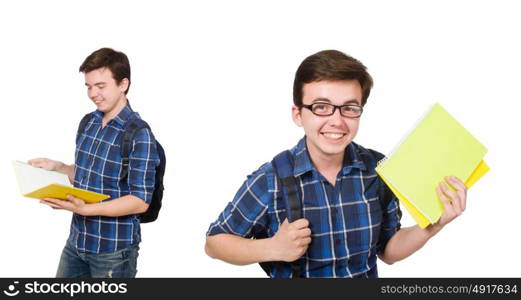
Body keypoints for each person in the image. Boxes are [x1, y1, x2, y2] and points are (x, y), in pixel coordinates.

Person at [205, 50, 468, 278]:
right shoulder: (272, 179)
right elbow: (214, 242)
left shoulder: (378, 170)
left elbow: (388, 251)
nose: (337, 121)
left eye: (349, 108)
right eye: (321, 107)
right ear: (298, 114)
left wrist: (433, 225)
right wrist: (271, 248)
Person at [29, 47, 160, 278]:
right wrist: (59, 167)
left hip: (113, 251)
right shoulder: (88, 123)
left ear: (123, 84)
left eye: (101, 86)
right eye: (89, 86)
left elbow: (140, 201)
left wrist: (86, 209)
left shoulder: (139, 134)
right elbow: (89, 174)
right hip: (77, 243)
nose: (93, 94)